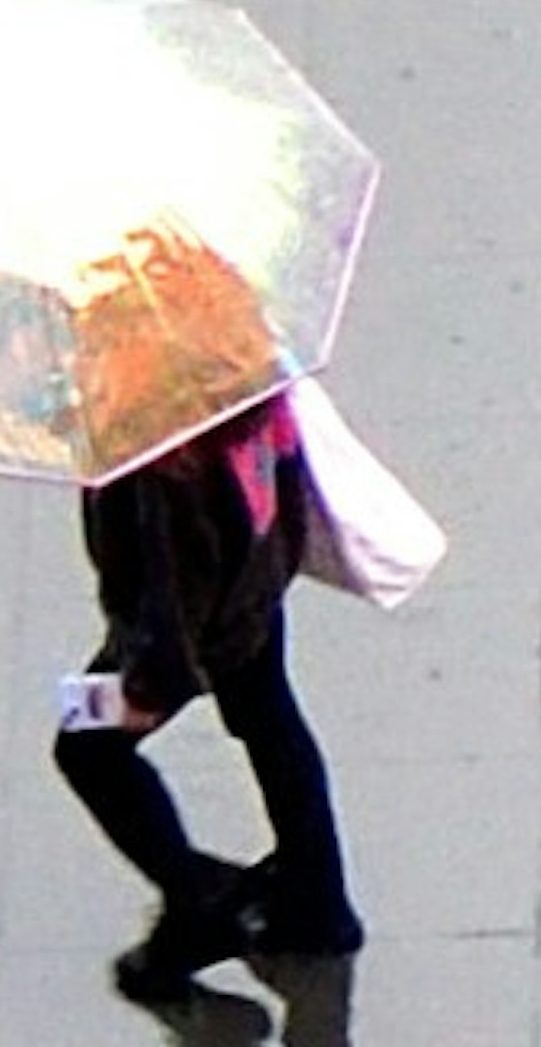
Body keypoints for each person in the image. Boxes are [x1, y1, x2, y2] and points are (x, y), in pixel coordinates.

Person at [54, 387, 363, 1003]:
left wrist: (147, 684)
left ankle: (198, 907)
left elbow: (162, 581)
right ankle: (318, 900)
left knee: (82, 739)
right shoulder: (241, 380)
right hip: (252, 590)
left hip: (187, 639)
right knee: (271, 717)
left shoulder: (151, 448)